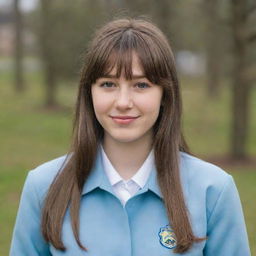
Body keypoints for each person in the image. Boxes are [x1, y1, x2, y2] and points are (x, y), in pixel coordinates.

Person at [10, 18, 250, 256]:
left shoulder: (213, 190)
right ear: (89, 92)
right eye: (108, 84)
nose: (123, 102)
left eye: (141, 85)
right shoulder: (43, 187)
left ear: (165, 94)